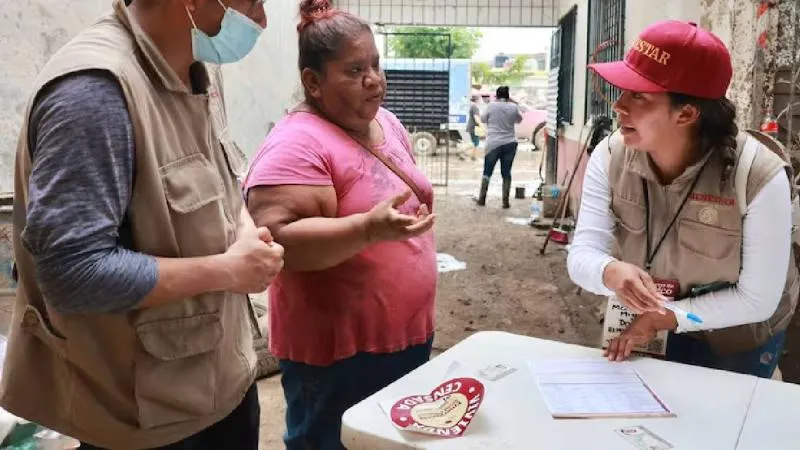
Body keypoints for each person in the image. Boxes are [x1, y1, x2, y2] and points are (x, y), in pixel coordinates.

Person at [0, 1, 282, 449]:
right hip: (147, 419)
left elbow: (218, 178)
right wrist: (227, 271)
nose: (261, 20)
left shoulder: (195, 69)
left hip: (220, 384)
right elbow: (72, 273)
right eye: (252, 2)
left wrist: (244, 230)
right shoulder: (93, 94)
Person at [243, 1, 437, 448]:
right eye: (354, 71)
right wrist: (366, 229)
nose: (374, 80)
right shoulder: (297, 143)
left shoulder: (385, 122)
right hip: (339, 359)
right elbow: (276, 241)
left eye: (375, 65)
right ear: (313, 82)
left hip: (405, 338)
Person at [567, 20, 798, 379]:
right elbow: (582, 253)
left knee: (722, 413)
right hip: (646, 322)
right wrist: (609, 272)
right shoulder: (610, 156)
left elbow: (757, 299)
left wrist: (668, 316)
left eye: (639, 96)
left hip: (737, 336)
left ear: (687, 113)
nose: (618, 106)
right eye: (623, 91)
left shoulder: (758, 176)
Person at [475, 86, 523, 208]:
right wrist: (513, 102)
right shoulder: (513, 107)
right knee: (506, 173)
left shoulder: (491, 106)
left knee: (487, 172)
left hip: (493, 144)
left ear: (496, 95)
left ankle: (482, 199)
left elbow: (483, 119)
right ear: (508, 96)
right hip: (510, 143)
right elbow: (519, 120)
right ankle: (505, 202)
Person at [462, 95, 483, 161]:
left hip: (475, 127)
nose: (481, 101)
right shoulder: (475, 107)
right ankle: (465, 152)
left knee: (475, 142)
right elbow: (476, 118)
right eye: (480, 99)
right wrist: (481, 125)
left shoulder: (473, 106)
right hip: (475, 127)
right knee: (475, 142)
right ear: (477, 100)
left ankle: (473, 156)